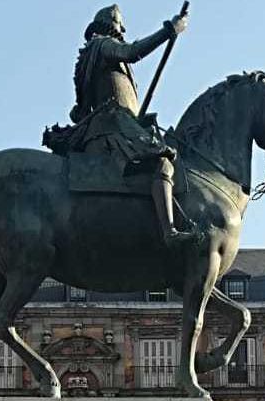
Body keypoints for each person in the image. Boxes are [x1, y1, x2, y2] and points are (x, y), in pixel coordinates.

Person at [63, 4, 196, 249]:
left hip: (119, 124)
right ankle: (169, 231)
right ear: (110, 26)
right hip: (112, 128)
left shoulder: (95, 55)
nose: (122, 31)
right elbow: (133, 52)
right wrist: (169, 30)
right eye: (119, 26)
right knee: (161, 162)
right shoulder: (102, 45)